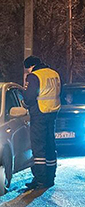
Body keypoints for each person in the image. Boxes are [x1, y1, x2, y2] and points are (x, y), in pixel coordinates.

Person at [23, 56, 61, 190]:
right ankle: (50, 178)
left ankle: (41, 180)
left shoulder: (34, 76)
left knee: (39, 148)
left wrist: (24, 103)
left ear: (31, 66)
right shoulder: (54, 73)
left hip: (39, 114)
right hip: (52, 113)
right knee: (50, 146)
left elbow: (29, 97)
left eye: (28, 69)